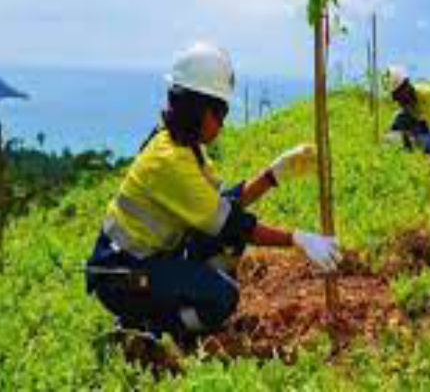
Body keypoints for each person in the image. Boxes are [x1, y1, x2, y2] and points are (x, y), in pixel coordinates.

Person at [85, 42, 341, 342]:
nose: (222, 121)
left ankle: (161, 316)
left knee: (227, 244)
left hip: (148, 261)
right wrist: (298, 239)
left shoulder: (186, 147)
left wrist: (274, 174)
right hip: (123, 277)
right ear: (196, 109)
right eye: (219, 112)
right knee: (222, 298)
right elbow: (231, 223)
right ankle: (149, 329)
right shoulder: (169, 161)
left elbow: (223, 207)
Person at [385, 65, 430, 161]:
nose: (398, 101)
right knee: (399, 122)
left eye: (399, 95)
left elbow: (427, 127)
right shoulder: (406, 101)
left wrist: (408, 138)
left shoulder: (426, 94)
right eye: (395, 97)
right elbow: (401, 121)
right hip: (421, 127)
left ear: (406, 86)